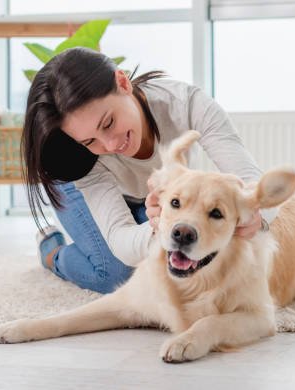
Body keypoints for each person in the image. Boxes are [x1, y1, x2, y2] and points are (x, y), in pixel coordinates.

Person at [22, 47, 277, 294]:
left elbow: (257, 186)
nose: (110, 145)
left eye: (109, 123)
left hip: (146, 199)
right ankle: (52, 253)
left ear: (122, 82)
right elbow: (122, 242)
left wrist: (256, 215)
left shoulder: (186, 105)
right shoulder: (82, 159)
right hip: (75, 185)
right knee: (115, 274)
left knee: (184, 258)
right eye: (90, 141)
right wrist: (162, 225)